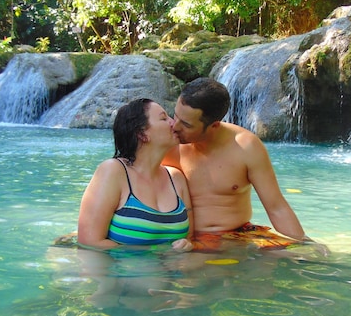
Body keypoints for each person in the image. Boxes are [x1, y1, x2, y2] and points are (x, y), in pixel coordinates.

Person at [163, 77, 327, 253]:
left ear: (214, 126)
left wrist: (304, 242)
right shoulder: (166, 142)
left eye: (186, 124)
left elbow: (276, 207)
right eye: (175, 116)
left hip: (238, 236)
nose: (175, 127)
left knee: (301, 257)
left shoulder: (245, 147)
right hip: (186, 240)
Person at [77, 98, 193, 251]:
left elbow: (190, 237)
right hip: (123, 273)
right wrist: (154, 253)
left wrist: (188, 245)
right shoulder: (113, 171)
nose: (174, 123)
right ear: (142, 134)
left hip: (172, 273)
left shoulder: (176, 178)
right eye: (164, 118)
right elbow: (89, 241)